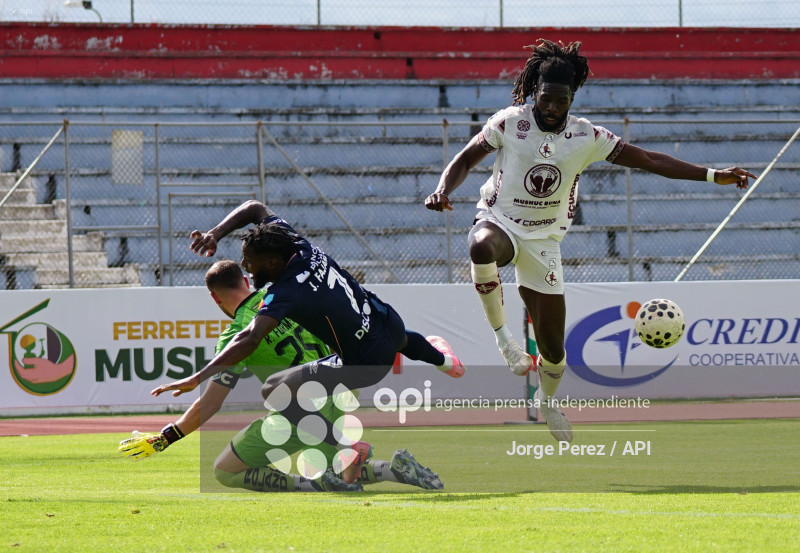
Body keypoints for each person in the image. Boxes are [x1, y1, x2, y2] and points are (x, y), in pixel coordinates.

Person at [425, 39, 757, 443]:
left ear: (572, 98)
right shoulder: (510, 121)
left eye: (560, 101)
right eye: (545, 99)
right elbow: (464, 159)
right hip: (501, 222)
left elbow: (650, 160)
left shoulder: (586, 136)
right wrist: (444, 190)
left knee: (554, 351)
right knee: (480, 246)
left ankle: (548, 403)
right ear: (535, 93)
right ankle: (505, 343)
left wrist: (712, 174)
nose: (551, 108)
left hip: (544, 242)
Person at [150, 200, 464, 483]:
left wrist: (196, 377)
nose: (246, 264)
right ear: (243, 282)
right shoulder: (298, 244)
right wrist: (216, 234)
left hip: (356, 369)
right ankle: (444, 361)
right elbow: (255, 207)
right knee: (403, 341)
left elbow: (249, 339)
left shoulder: (281, 295)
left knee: (271, 391)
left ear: (272, 264)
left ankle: (346, 446)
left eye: (250, 260)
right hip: (386, 324)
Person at [120, 260, 444, 492]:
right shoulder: (285, 295)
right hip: (342, 388)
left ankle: (311, 484)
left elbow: (211, 403)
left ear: (214, 298)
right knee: (344, 470)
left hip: (299, 413)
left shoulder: (235, 335)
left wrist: (167, 437)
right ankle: (394, 470)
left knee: (224, 471)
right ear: (247, 280)